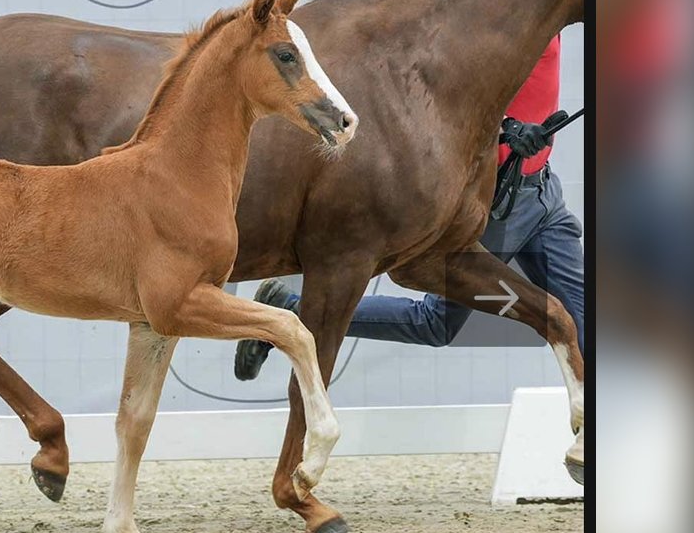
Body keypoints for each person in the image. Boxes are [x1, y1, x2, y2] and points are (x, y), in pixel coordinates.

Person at [234, 35, 585, 374]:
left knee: (585, 322)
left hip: (542, 195)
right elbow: (447, 90)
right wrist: (507, 128)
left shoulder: (557, 5)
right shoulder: (506, 16)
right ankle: (287, 311)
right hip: (495, 207)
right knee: (437, 324)